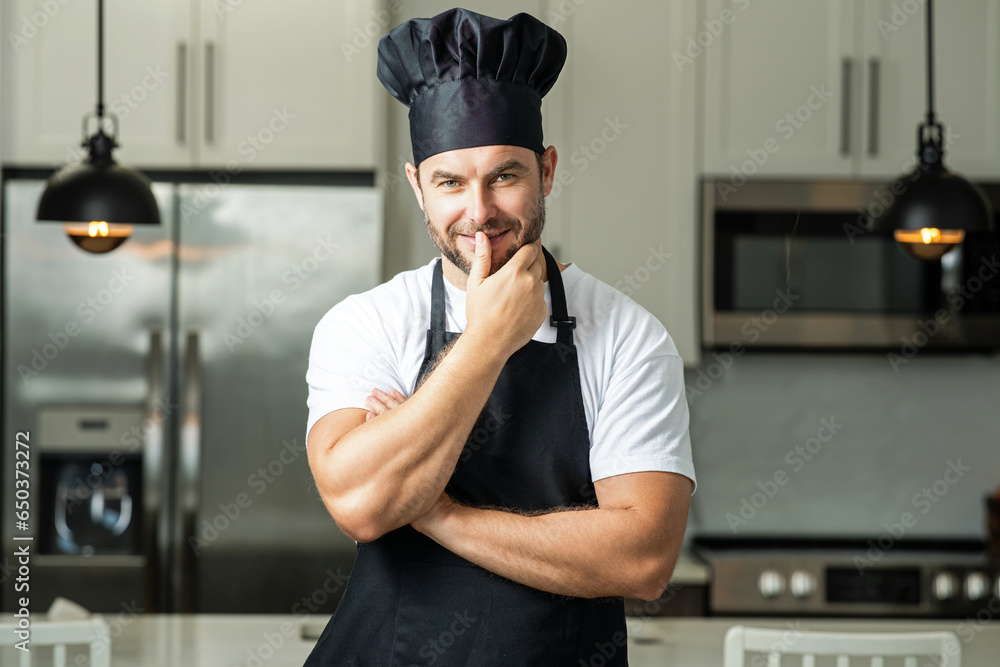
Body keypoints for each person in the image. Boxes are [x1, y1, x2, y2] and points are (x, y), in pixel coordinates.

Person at [303, 8, 695, 666]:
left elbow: (644, 556)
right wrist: (487, 341)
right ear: (417, 187)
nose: (477, 212)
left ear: (546, 171)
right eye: (449, 182)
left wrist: (438, 512)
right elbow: (363, 505)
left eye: (504, 176)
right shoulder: (367, 321)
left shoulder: (628, 336)